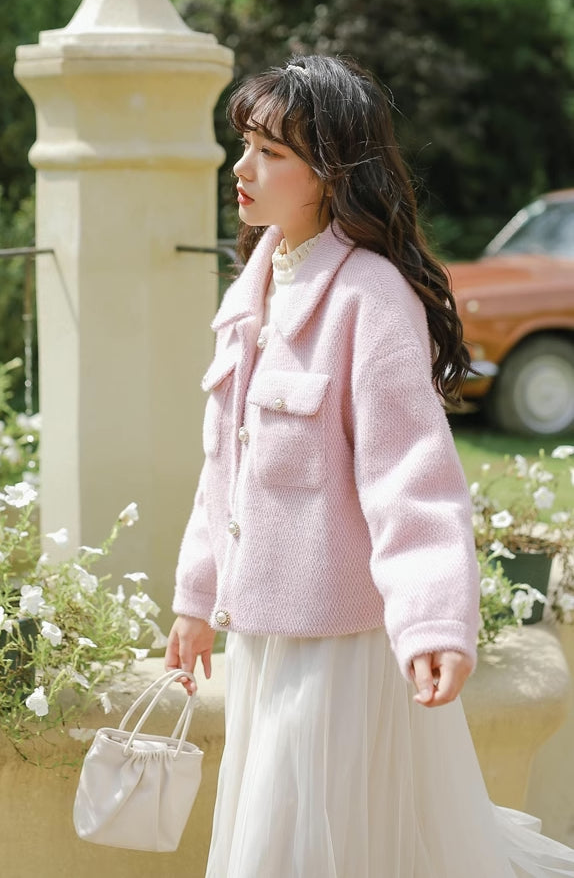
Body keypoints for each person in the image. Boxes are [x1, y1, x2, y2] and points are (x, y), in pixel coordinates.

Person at [165, 54, 574, 877]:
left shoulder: (371, 297)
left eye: (270, 152)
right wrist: (196, 597)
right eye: (244, 146)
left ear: (331, 172)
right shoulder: (253, 292)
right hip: (266, 639)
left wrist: (434, 623)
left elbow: (413, 481)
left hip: (342, 649)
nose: (242, 168)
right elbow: (223, 471)